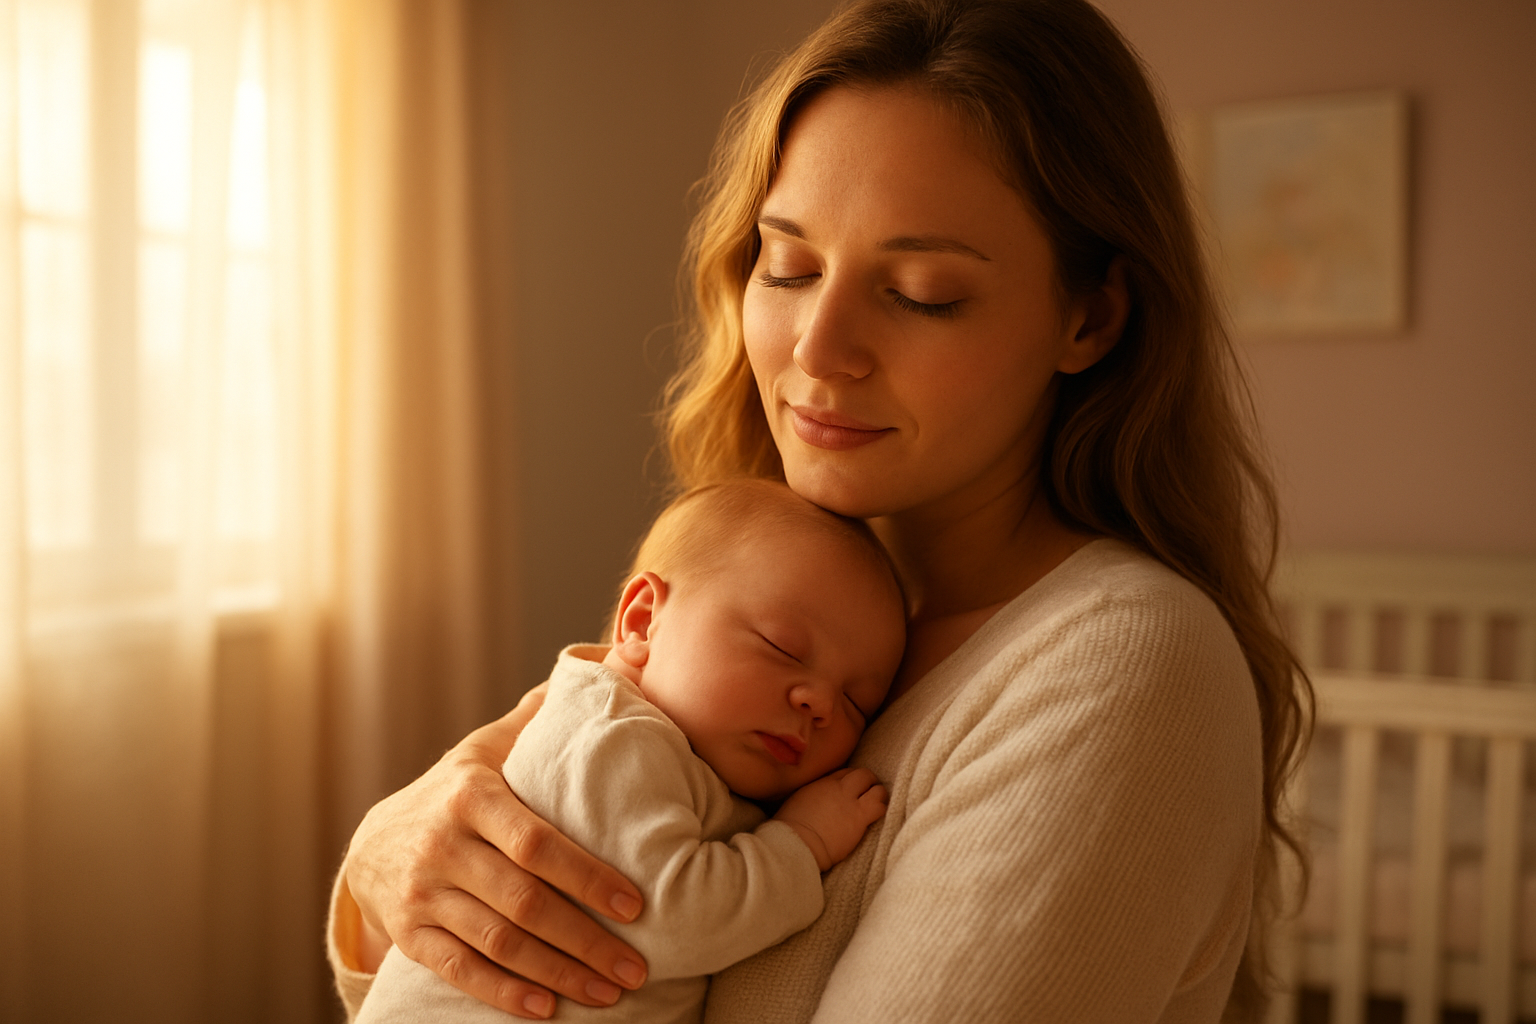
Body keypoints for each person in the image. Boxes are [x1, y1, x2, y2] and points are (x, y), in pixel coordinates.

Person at [327, 0, 1312, 1021]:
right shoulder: (757, 596)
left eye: (924, 292)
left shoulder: (1121, 664)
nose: (818, 347)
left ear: (1091, 316)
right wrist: (385, 864)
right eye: (788, 265)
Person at [351, 480, 906, 1023]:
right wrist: (803, 843)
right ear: (642, 621)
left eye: (858, 703)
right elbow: (669, 920)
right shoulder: (616, 737)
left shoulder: (683, 751)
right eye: (782, 646)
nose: (820, 704)